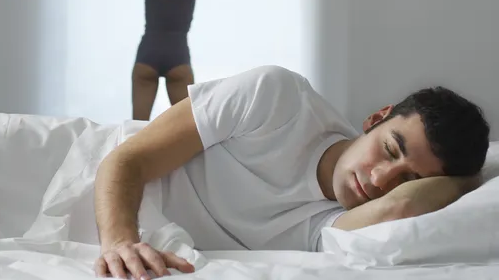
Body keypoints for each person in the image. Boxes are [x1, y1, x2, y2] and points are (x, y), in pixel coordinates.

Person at [93, 65, 490, 279]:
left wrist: (470, 178)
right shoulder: (277, 98)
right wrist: (119, 241)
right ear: (375, 118)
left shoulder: (335, 223)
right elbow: (128, 160)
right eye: (389, 150)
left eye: (409, 180)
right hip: (95, 172)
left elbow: (396, 211)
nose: (380, 180)